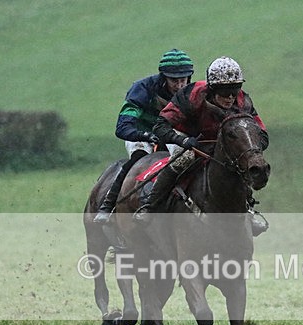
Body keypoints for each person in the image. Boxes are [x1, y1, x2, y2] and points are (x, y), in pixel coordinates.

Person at [135, 56, 268, 234]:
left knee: (241, 163)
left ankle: (248, 211)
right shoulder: (192, 95)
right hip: (190, 137)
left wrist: (252, 150)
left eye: (234, 90)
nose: (230, 97)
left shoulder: (243, 101)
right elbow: (161, 125)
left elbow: (261, 132)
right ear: (212, 89)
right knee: (184, 159)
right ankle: (150, 206)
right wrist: (182, 141)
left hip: (225, 141)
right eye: (224, 91)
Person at [93, 49, 194, 224]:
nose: (179, 86)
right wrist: (144, 135)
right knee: (139, 158)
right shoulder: (142, 89)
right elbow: (123, 126)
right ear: (163, 77)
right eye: (174, 81)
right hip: (143, 132)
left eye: (183, 80)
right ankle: (108, 205)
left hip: (171, 132)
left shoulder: (192, 92)